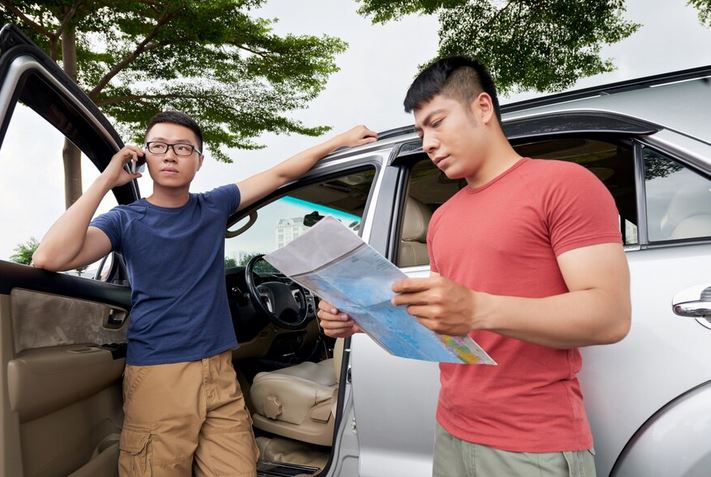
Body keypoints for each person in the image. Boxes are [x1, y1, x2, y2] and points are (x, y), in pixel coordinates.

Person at [317, 56, 631, 477]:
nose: (427, 142)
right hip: (451, 430)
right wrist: (364, 317)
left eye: (437, 121)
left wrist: (478, 308)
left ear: (483, 108)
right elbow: (449, 322)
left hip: (531, 443)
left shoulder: (564, 184)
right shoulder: (443, 218)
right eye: (420, 131)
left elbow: (609, 317)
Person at [32, 111, 377, 477]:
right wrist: (105, 179)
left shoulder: (213, 205)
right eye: (159, 146)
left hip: (220, 372)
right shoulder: (126, 220)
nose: (169, 155)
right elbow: (49, 257)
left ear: (199, 160)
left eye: (182, 148)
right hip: (160, 373)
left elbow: (280, 174)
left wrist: (340, 140)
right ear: (143, 156)